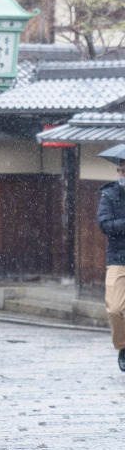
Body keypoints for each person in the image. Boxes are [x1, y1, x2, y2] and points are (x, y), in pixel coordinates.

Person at [96, 157, 125, 372]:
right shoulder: (109, 194)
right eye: (120, 170)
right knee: (115, 308)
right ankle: (123, 346)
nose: (121, 174)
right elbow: (104, 224)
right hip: (118, 258)